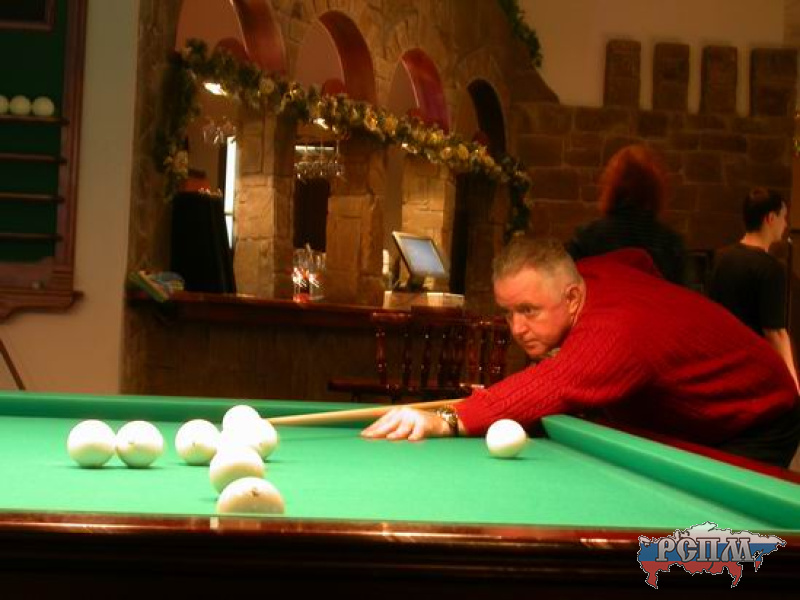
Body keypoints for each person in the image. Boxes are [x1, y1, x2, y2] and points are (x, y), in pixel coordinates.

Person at [361, 236, 800, 468]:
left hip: (758, 417)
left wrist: (447, 418)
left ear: (572, 298)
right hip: (703, 407)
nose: (516, 328)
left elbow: (554, 384)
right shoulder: (590, 275)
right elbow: (637, 259)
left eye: (529, 310)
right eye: (508, 311)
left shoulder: (616, 333)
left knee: (710, 540)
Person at [709, 188, 799, 392]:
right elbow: (774, 332)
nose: (785, 224)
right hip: (753, 369)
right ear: (770, 218)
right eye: (783, 217)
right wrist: (792, 380)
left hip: (722, 364)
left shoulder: (721, 258)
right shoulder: (770, 269)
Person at [566, 144, 687, 285]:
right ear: (655, 189)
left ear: (613, 187)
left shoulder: (588, 237)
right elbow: (685, 293)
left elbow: (568, 287)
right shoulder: (670, 244)